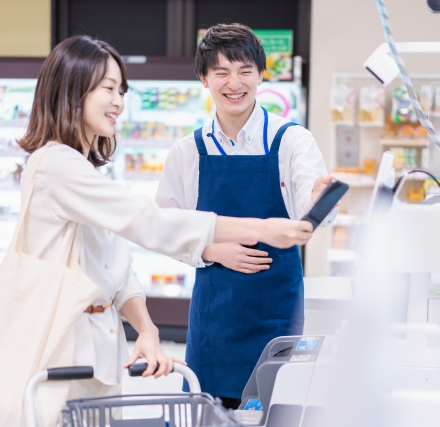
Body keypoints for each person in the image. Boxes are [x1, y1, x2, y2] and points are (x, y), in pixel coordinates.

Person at [0, 35, 313, 403]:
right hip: (58, 341)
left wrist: (146, 328)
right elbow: (150, 221)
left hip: (98, 341)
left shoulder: (83, 168)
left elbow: (116, 262)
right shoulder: (55, 165)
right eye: (108, 88)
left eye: (122, 90)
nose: (119, 102)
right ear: (72, 90)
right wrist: (263, 228)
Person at [155, 23, 336, 409]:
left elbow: (309, 204)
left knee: (275, 408)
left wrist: (321, 199)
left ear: (261, 74)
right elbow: (166, 227)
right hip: (214, 316)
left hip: (277, 312)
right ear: (204, 78)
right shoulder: (188, 151)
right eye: (221, 71)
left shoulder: (291, 140)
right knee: (209, 411)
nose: (233, 83)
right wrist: (213, 251)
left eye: (244, 71)